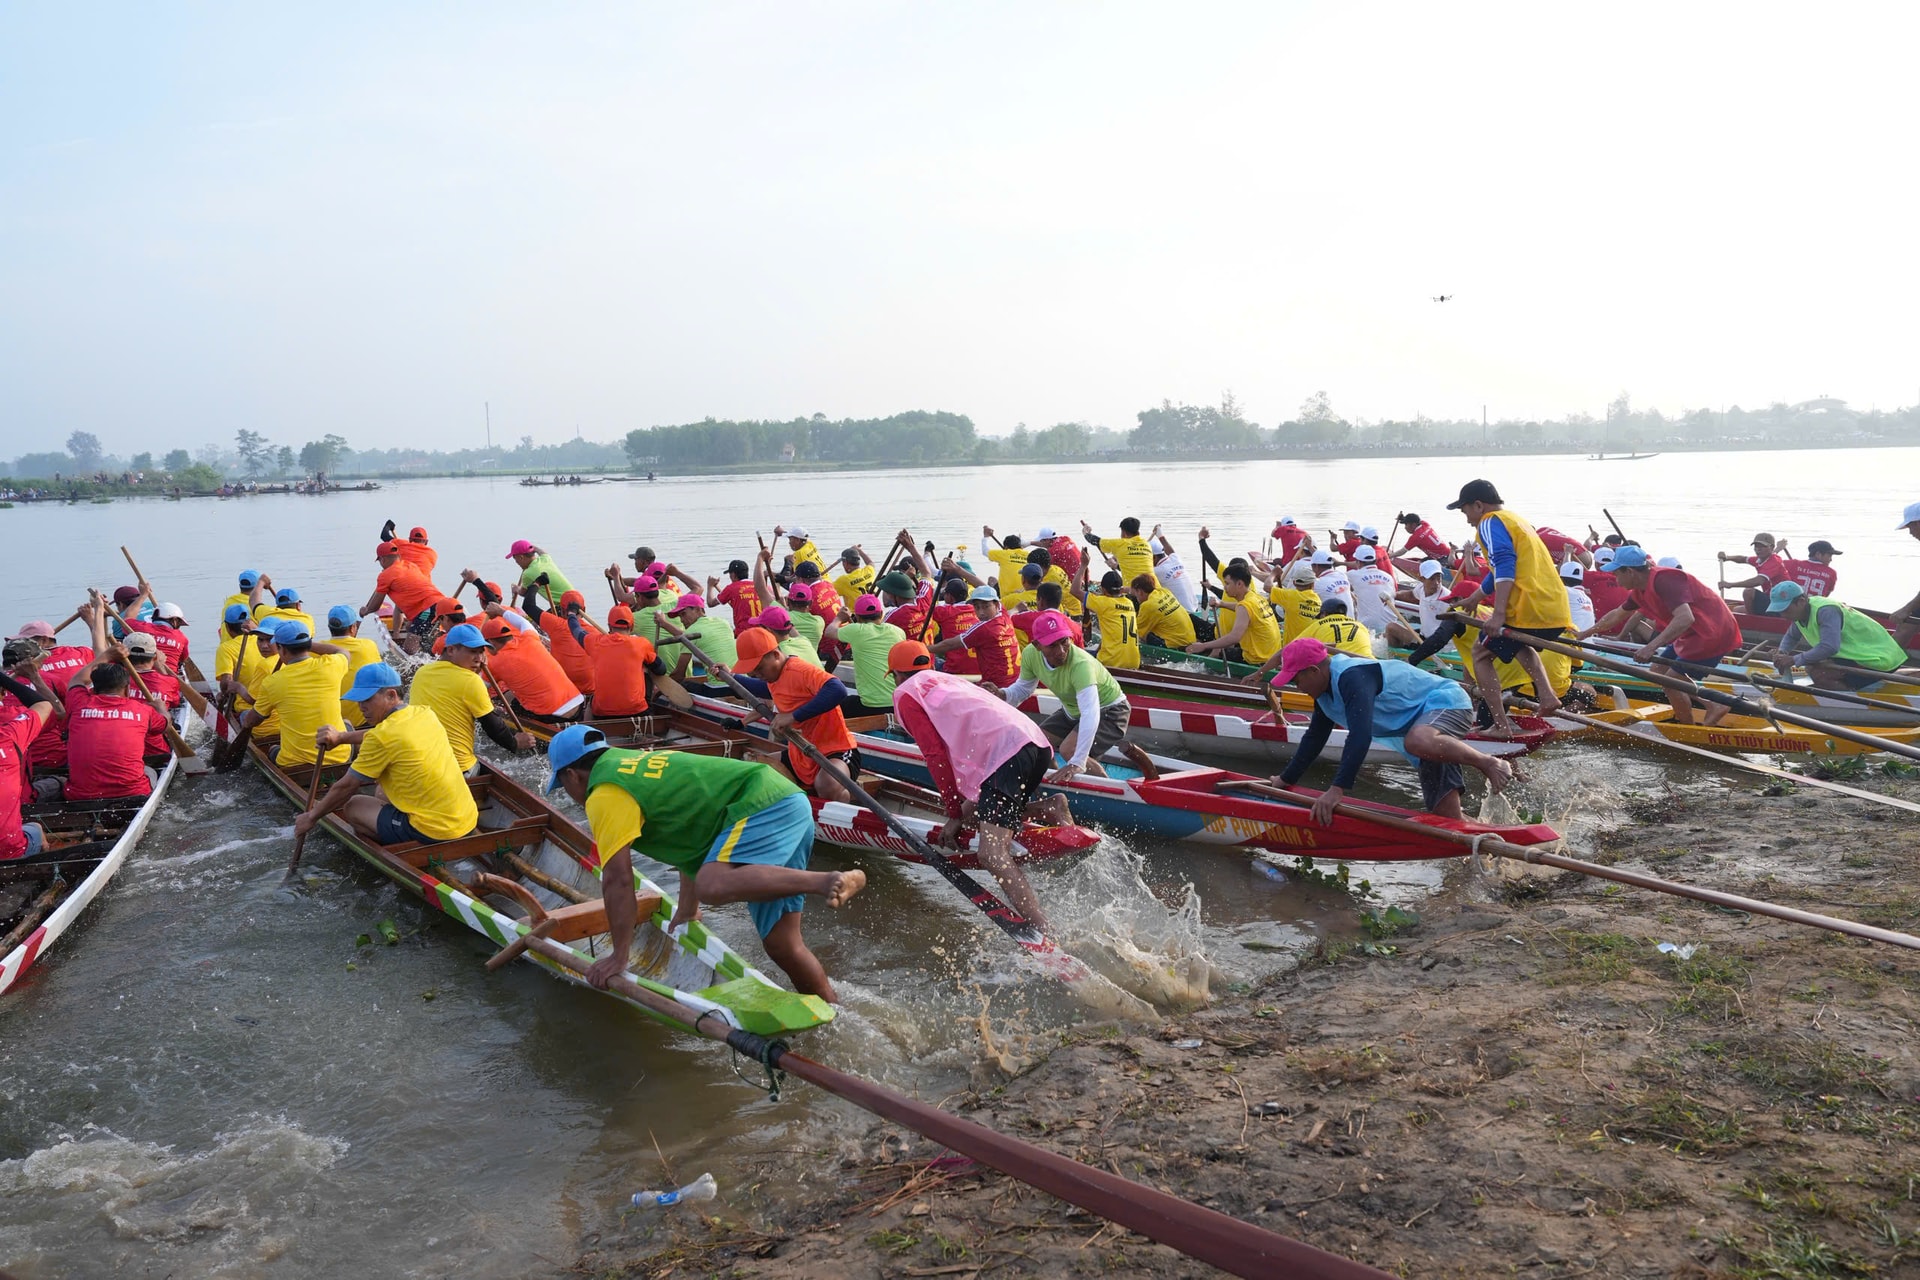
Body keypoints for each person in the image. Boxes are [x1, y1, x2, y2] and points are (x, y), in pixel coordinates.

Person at [545, 724, 864, 1003]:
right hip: (786, 802)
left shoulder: (603, 793)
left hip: (764, 805)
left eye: (564, 786)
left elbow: (617, 880)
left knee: (711, 885)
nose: (571, 794)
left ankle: (825, 881)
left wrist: (619, 956)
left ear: (572, 775)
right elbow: (691, 842)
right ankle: (832, 1010)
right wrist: (686, 908)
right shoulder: (630, 763)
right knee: (783, 945)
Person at [887, 641, 1067, 928]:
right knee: (990, 810)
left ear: (896, 674)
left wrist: (954, 815)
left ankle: (1041, 928)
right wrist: (962, 811)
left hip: (1008, 753)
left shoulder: (905, 694)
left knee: (991, 854)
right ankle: (1047, 808)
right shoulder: (947, 681)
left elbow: (935, 756)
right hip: (1035, 743)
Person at [1267, 636, 1513, 824]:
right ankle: (1499, 839)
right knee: (1448, 820)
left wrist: (1336, 789)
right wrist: (1284, 779)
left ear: (1314, 671)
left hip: (1446, 703)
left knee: (1417, 740)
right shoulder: (1323, 695)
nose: (1298, 688)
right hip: (1422, 734)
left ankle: (1489, 763)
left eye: (1297, 681)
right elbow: (1314, 739)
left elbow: (1360, 735)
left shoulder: (1351, 677)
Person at [296, 663, 479, 846]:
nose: (361, 707)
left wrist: (311, 817)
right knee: (381, 791)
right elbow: (381, 735)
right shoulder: (424, 713)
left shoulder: (383, 736)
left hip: (433, 831)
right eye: (359, 701)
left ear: (391, 695)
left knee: (353, 806)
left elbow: (346, 786)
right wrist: (341, 737)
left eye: (367, 700)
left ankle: (397, 845)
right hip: (468, 817)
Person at [1447, 478, 1571, 731]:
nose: (1467, 518)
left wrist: (1499, 614)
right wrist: (1476, 598)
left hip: (1529, 607)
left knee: (1481, 654)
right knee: (1519, 642)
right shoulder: (1516, 521)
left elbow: (1504, 564)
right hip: (1553, 606)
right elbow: (1498, 570)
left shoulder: (1488, 523)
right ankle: (1547, 696)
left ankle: (1500, 726)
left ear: (1478, 506)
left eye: (1466, 511)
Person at [1581, 546, 1742, 725]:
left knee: (1671, 680)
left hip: (1713, 632)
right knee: (1657, 672)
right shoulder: (1639, 591)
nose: (1616, 581)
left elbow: (1685, 617)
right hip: (1691, 633)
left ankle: (1687, 726)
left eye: (1618, 574)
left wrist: (1651, 647)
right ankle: (1711, 704)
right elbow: (1617, 615)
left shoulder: (1664, 580)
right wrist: (1586, 633)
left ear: (1631, 571)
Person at [998, 611, 1152, 780]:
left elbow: (1090, 713)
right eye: (1052, 645)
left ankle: (1105, 788)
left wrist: (1077, 762)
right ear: (1037, 645)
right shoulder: (1030, 654)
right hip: (1074, 711)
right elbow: (1022, 690)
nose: (1061, 651)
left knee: (1068, 750)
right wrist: (1002, 694)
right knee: (1037, 743)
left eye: (1064, 642)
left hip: (1112, 711)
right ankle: (1054, 780)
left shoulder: (1081, 664)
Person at [721, 627, 859, 803]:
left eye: (759, 669)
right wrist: (731, 677)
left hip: (836, 750)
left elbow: (837, 690)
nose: (757, 675)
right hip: (801, 751)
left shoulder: (799, 670)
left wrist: (794, 716)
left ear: (776, 655)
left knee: (826, 785)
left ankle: (851, 801)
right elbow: (764, 688)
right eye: (752, 673)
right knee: (755, 771)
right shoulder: (773, 676)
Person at [63, 596, 170, 801]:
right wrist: (160, 707)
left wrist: (106, 654)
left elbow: (77, 679)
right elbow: (165, 725)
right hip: (134, 793)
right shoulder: (143, 709)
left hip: (78, 796)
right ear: (127, 690)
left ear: (93, 688)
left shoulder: (79, 701)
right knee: (150, 771)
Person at [410, 624, 537, 772]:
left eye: (481, 652)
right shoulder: (471, 681)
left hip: (420, 760)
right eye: (472, 652)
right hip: (457, 767)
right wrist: (515, 742)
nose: (479, 659)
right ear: (451, 650)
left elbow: (456, 690)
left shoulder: (422, 672)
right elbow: (493, 727)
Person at [236, 620, 351, 768]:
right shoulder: (331, 664)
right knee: (347, 725)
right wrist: (308, 644)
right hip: (340, 756)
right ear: (308, 645)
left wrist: (245, 719)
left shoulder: (272, 682)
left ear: (281, 649)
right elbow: (342, 651)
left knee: (272, 749)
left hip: (295, 762)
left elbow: (252, 721)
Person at [1765, 581, 1907, 690]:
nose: (1783, 615)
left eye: (1785, 610)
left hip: (1877, 658)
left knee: (1819, 675)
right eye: (1779, 611)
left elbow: (1829, 647)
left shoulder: (1826, 611)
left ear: (1801, 602)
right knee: (1807, 668)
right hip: (1854, 654)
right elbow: (1791, 637)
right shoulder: (1800, 613)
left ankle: (1852, 699)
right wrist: (1782, 653)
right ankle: (1820, 688)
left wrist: (1793, 659)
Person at [480, 616, 584, 722]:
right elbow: (523, 623)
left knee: (508, 704)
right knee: (514, 692)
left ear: (491, 643)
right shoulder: (530, 639)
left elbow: (479, 687)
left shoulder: (494, 662)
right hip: (579, 704)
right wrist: (500, 611)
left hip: (554, 715)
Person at [0, 657, 55, 858]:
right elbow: (46, 706)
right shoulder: (9, 735)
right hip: (10, 849)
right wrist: (6, 679)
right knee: (35, 827)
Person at [577, 604, 667, 717]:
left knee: (592, 703)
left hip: (602, 713)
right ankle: (649, 713)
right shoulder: (641, 643)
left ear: (609, 627)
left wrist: (571, 615)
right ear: (632, 627)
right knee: (645, 670)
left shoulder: (595, 642)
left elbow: (577, 632)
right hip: (637, 711)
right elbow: (661, 670)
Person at [825, 594, 906, 715]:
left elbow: (829, 632)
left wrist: (839, 618)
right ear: (881, 614)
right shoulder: (898, 631)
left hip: (871, 705)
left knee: (828, 706)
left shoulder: (856, 630)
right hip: (897, 702)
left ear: (857, 616)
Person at [1188, 564, 1281, 666]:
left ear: (1239, 584)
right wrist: (1222, 604)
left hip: (1257, 659)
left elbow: (1234, 637)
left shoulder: (1244, 606)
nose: (1225, 587)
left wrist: (1204, 646)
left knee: (1218, 651)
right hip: (1272, 655)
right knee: (1221, 645)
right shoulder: (1257, 597)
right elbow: (1242, 608)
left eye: (1227, 583)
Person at [933, 585, 1023, 688]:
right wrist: (1017, 608)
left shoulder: (984, 628)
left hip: (995, 688)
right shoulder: (1004, 616)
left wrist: (924, 649)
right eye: (977, 607)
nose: (981, 612)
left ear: (997, 605)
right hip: (1015, 683)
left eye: (986, 606)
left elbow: (949, 645)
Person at [364, 540, 447, 642]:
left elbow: (375, 607)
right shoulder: (411, 565)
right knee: (411, 627)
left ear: (383, 560)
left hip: (428, 610)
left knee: (410, 649)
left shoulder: (386, 575)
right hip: (443, 604)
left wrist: (366, 611)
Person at [1348, 546, 1416, 646]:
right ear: (1375, 561)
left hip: (1369, 629)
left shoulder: (1351, 575)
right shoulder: (1388, 577)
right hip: (1391, 626)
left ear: (1358, 562)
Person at [1078, 567, 1141, 670]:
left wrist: (1083, 565)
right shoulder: (1129, 603)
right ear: (1121, 589)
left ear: (1103, 589)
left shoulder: (1103, 603)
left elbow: (1074, 590)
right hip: (1134, 662)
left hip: (1111, 662)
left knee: (1075, 655)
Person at [1718, 532, 1788, 613]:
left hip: (1781, 603)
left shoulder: (1774, 562)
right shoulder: (1760, 559)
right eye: (1756, 546)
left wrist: (1730, 584)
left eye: (1762, 546)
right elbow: (1743, 559)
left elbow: (1759, 581)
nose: (1758, 549)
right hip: (1771, 598)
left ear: (1771, 547)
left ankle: (1751, 619)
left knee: (1748, 592)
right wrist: (1727, 557)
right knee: (1735, 610)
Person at [1081, 517, 1156, 587]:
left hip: (1135, 590)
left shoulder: (1120, 544)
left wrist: (1086, 532)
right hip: (1154, 586)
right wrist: (1116, 566)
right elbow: (1134, 566)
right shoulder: (1146, 544)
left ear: (1124, 533)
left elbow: (1094, 540)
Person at [1131, 573, 1196, 649]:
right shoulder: (1164, 591)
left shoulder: (1148, 605)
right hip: (1190, 639)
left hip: (1176, 645)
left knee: (1140, 634)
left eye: (1135, 595)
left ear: (1140, 592)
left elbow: (1135, 629)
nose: (1136, 598)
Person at [123, 602, 191, 675]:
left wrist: (143, 595)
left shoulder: (140, 627)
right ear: (174, 621)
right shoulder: (182, 637)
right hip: (168, 677)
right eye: (179, 623)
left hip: (139, 673)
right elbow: (183, 658)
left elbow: (128, 617)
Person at [505, 538, 575, 603]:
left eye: (515, 558)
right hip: (577, 598)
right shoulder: (545, 559)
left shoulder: (527, 573)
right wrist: (534, 548)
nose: (516, 562)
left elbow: (524, 593)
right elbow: (543, 553)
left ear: (521, 557)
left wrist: (516, 589)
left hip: (565, 606)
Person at [1147, 526, 1200, 612]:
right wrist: (1160, 535)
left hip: (1185, 612)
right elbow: (1170, 550)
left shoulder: (1157, 571)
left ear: (1153, 557)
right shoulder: (1176, 559)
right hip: (1195, 607)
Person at [1391, 513, 1453, 580]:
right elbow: (1416, 519)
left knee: (1423, 567)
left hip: (1442, 559)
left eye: (1406, 524)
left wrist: (1389, 556)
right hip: (1448, 553)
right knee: (1420, 563)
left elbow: (1402, 551)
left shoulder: (1415, 537)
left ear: (1413, 525)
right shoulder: (1425, 524)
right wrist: (1403, 519)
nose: (1405, 527)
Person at [711, 559, 765, 631]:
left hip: (744, 631)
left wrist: (710, 586)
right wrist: (716, 586)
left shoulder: (732, 588)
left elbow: (710, 603)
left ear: (733, 575)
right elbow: (736, 604)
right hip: (763, 629)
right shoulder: (758, 586)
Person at [1560, 562, 1596, 633]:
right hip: (1588, 641)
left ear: (1561, 579)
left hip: (1571, 641)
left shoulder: (1564, 591)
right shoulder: (1587, 598)